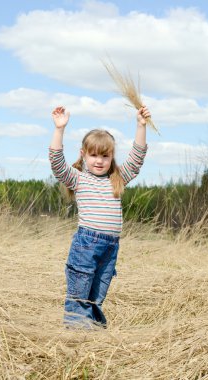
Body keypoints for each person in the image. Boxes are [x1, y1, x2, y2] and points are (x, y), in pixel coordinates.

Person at [49, 105, 150, 329]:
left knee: (98, 292)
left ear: (112, 157)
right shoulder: (78, 179)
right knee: (80, 289)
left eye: (105, 156)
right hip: (86, 243)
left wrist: (141, 125)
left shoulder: (117, 178)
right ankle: (77, 331)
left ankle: (92, 329)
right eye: (93, 155)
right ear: (84, 155)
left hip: (110, 246)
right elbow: (56, 162)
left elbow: (137, 158)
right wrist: (59, 129)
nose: (99, 160)